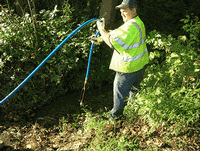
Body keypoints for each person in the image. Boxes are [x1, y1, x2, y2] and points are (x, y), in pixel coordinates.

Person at [93, 0, 149, 121]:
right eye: (121, 12)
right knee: (134, 91)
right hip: (140, 65)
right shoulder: (137, 22)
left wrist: (101, 30)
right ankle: (133, 112)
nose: (122, 14)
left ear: (134, 10)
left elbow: (112, 42)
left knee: (120, 93)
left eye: (125, 12)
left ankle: (115, 117)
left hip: (128, 68)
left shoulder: (131, 26)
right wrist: (100, 39)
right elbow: (116, 34)